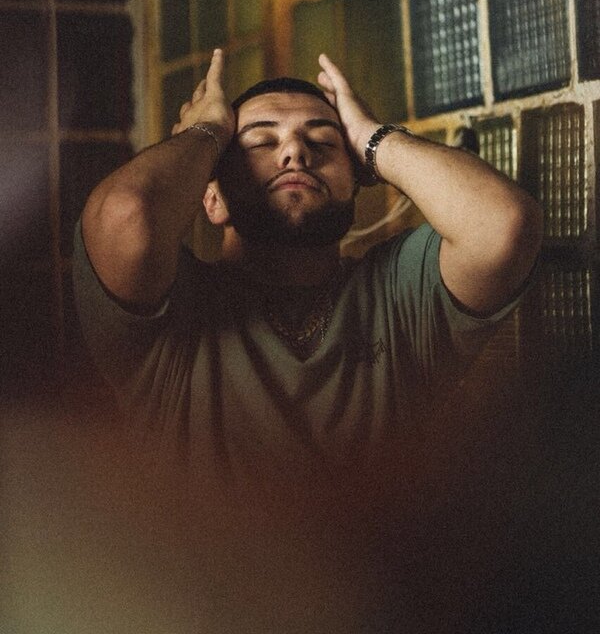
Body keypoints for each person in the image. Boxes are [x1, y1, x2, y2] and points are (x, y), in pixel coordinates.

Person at [73, 48, 542, 477]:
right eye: (260, 142)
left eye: (323, 141)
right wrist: (208, 131)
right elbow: (125, 217)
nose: (296, 151)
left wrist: (371, 137)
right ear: (212, 200)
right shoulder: (177, 311)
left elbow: (504, 225)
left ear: (357, 179)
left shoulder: (397, 295)